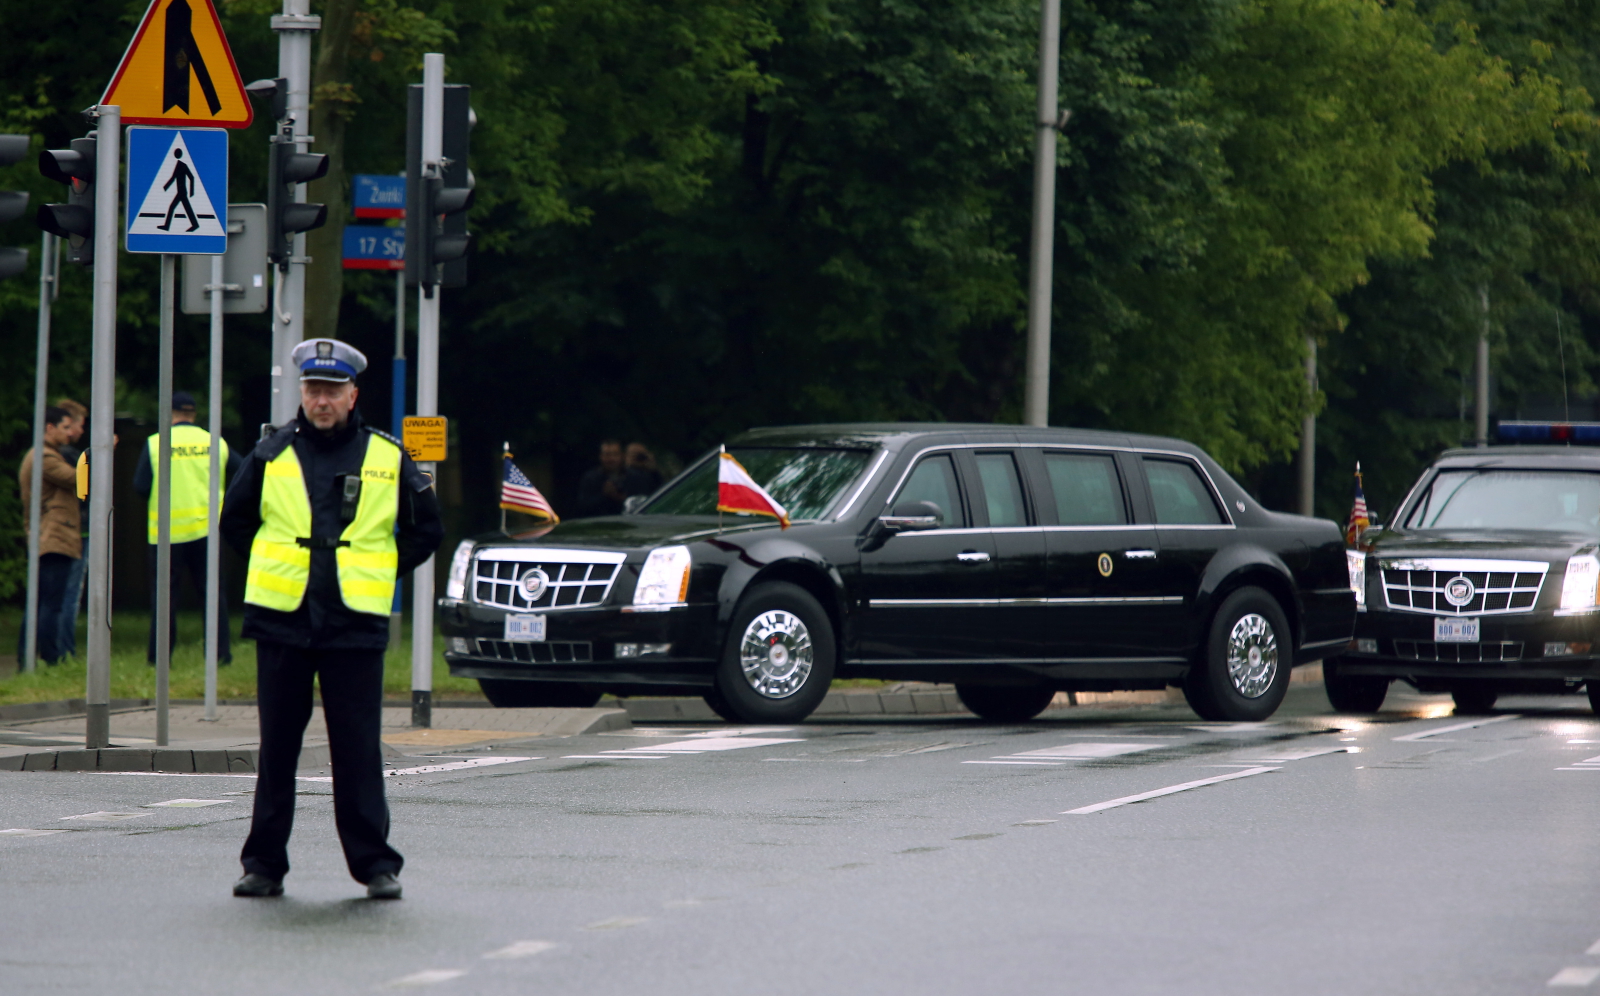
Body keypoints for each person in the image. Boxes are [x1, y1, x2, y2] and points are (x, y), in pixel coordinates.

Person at [221, 338, 443, 900]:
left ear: (352, 395)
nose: (322, 400)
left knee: (358, 750)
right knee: (277, 750)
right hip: (283, 621)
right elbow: (236, 521)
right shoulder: (271, 453)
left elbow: (426, 529)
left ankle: (375, 866)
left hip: (353, 624)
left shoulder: (387, 456)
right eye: (313, 390)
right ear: (302, 393)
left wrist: (380, 569)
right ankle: (263, 865)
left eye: (332, 391)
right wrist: (282, 566)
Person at [133, 392, 241, 664]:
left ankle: (159, 658)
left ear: (169, 412)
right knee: (212, 595)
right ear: (193, 413)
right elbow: (243, 474)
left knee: (165, 598)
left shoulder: (156, 443)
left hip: (165, 534)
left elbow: (140, 486)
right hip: (207, 532)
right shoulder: (215, 442)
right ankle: (220, 655)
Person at [16, 407, 81, 664]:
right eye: (65, 427)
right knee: (50, 603)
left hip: (48, 535)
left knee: (41, 600)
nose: (69, 433)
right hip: (54, 536)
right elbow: (81, 480)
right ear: (49, 428)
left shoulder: (43, 455)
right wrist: (102, 453)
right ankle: (50, 658)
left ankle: (28, 657)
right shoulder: (45, 458)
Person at [53, 398, 87, 658]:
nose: (80, 431)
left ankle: (60, 650)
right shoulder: (67, 456)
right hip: (75, 531)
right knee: (69, 595)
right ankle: (64, 651)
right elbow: (84, 487)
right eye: (79, 425)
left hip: (71, 530)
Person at [575, 439, 626, 517]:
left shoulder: (633, 477)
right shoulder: (591, 478)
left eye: (615, 454)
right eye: (607, 455)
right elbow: (583, 506)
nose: (611, 459)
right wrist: (604, 495)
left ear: (622, 456)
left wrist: (617, 496)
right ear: (601, 456)